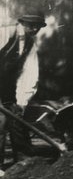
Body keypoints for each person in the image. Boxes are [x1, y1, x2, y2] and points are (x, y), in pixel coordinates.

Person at [0, 11, 46, 158]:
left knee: (16, 117)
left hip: (7, 86)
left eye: (37, 27)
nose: (34, 29)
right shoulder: (5, 32)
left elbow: (30, 74)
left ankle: (23, 162)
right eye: (31, 25)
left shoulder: (29, 43)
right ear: (22, 23)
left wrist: (21, 101)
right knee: (0, 122)